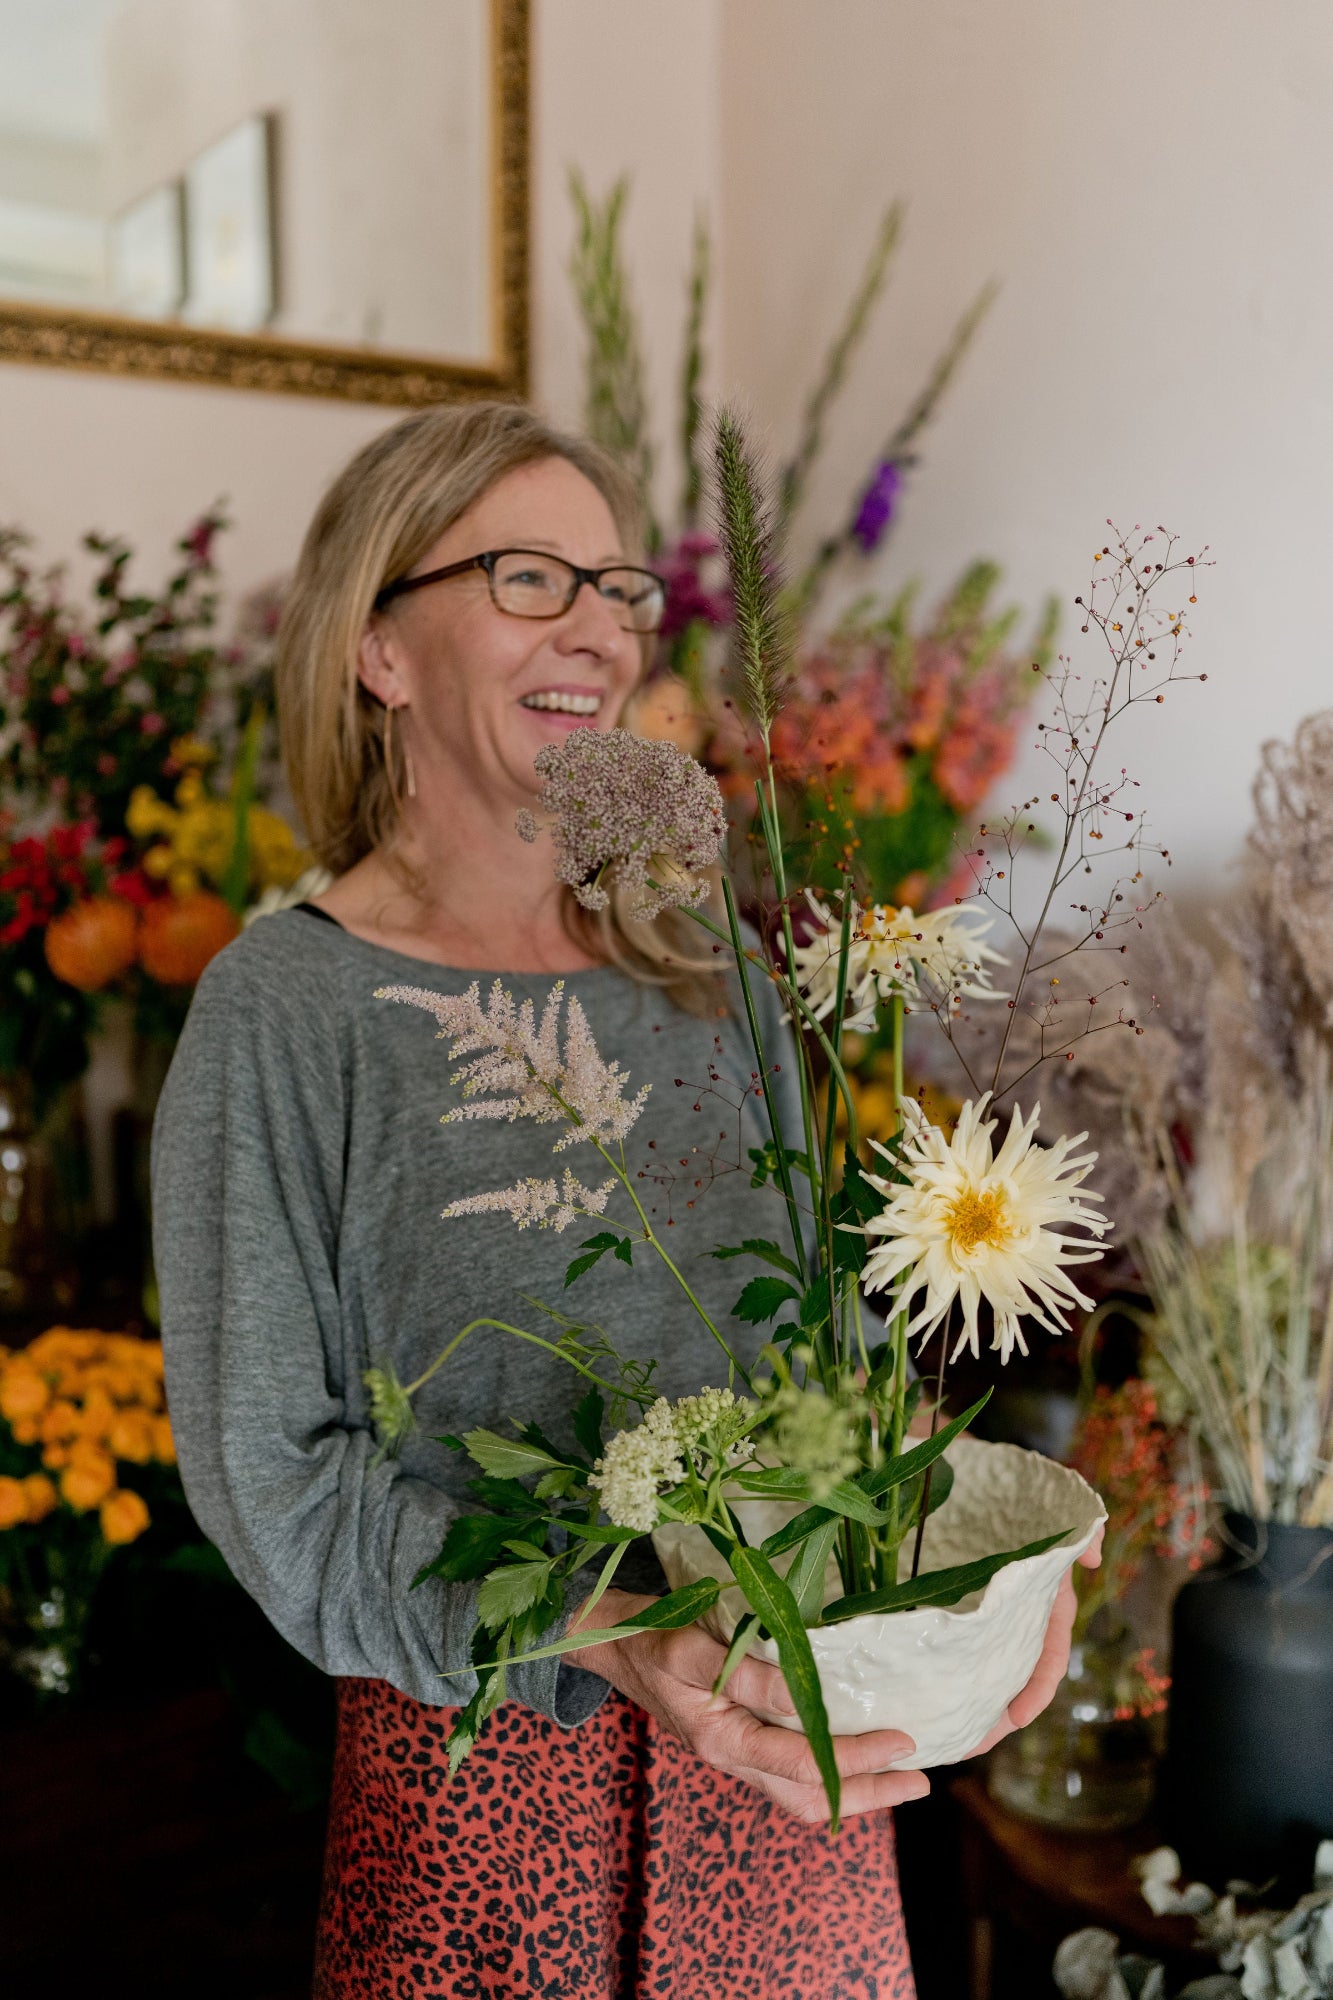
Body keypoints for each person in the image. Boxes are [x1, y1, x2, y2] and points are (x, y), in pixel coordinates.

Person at [153, 402, 1094, 2000]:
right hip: (480, 1813)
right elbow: (275, 1486)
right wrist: (614, 1635)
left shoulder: (704, 966)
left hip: (793, 1770)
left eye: (618, 587)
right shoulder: (282, 1013)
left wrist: (970, 1578)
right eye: (529, 578)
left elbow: (830, 1345)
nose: (596, 627)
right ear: (378, 648)